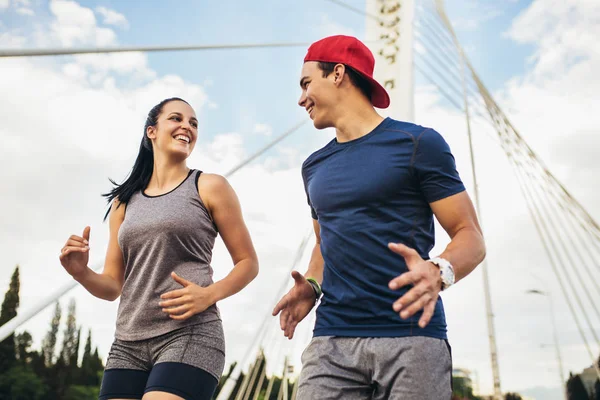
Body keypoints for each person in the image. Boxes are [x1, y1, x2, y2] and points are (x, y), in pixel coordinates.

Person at [272, 35, 486, 399]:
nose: (301, 98)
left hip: (412, 339)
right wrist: (312, 285)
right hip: (332, 342)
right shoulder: (314, 167)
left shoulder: (419, 143)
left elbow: (470, 236)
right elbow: (326, 243)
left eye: (307, 83)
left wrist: (439, 272)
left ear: (337, 73)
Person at [59, 97, 259, 400]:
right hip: (128, 343)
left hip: (190, 334)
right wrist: (80, 272)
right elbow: (113, 285)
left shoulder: (209, 186)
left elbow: (248, 262)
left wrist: (209, 294)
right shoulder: (123, 203)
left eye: (193, 123)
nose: (186, 127)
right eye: (176, 119)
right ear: (151, 131)